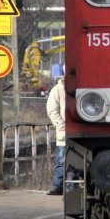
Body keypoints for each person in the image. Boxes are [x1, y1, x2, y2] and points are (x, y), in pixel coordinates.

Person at [46, 66, 66, 195]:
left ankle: (65, 185)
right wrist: (61, 125)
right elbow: (52, 110)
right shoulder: (57, 90)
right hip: (64, 134)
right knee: (62, 160)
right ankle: (58, 185)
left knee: (62, 160)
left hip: (74, 132)